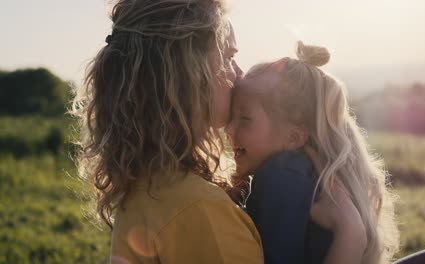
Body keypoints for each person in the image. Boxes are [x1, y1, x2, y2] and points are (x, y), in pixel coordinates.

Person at [71, 0, 264, 263]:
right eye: (229, 57)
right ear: (188, 72)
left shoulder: (147, 186)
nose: (240, 75)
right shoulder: (200, 209)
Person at [225, 42, 399, 264]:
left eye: (245, 119)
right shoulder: (307, 173)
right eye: (231, 116)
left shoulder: (281, 175)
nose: (229, 129)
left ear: (294, 138)